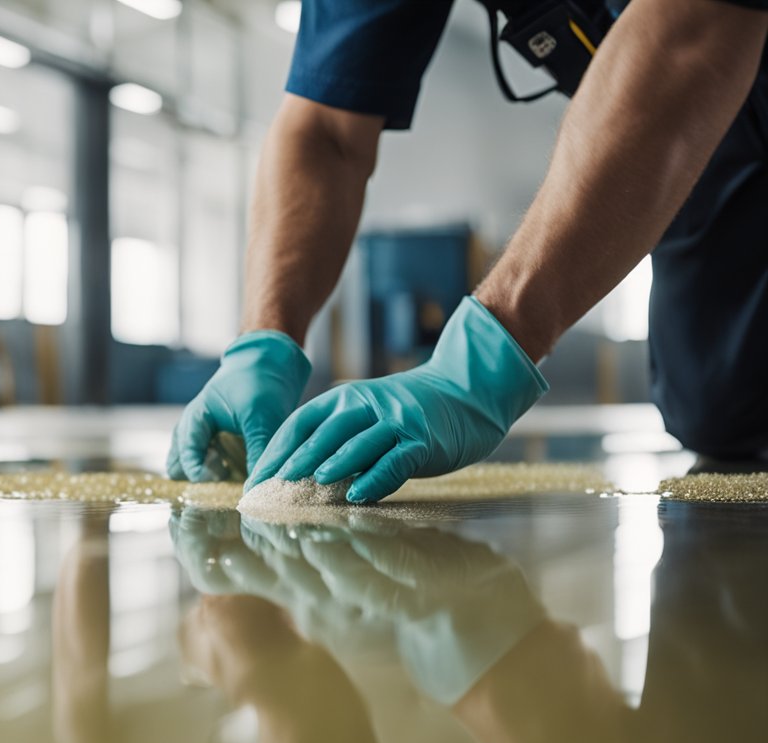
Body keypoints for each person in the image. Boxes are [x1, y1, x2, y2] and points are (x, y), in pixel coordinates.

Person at [167, 0, 768, 501]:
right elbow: (325, 129)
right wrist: (263, 342)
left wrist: (478, 364)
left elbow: (694, 26)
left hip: (716, 59)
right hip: (701, 161)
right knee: (719, 413)